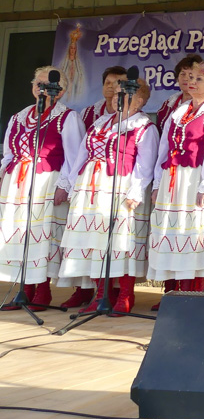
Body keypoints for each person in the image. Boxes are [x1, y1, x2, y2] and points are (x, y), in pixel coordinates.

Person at [59, 78, 158, 314]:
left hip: (121, 186)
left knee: (120, 243)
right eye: (115, 95)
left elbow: (145, 163)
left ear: (139, 100)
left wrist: (135, 191)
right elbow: (82, 154)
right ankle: (101, 294)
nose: (116, 98)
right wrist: (74, 186)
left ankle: (125, 295)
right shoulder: (101, 122)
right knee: (96, 242)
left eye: (124, 95)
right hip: (91, 186)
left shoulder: (144, 126)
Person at [0, 66, 85, 311]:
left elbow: (74, 156)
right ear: (32, 87)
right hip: (17, 184)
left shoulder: (67, 117)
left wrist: (65, 186)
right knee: (19, 234)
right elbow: (8, 154)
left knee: (43, 236)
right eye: (38, 84)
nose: (42, 89)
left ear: (59, 92)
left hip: (47, 182)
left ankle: (43, 290)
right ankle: (23, 290)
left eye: (48, 86)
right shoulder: (18, 116)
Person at [148, 61, 204, 294]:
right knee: (175, 234)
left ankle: (196, 295)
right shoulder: (180, 111)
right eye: (191, 78)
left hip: (197, 179)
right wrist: (158, 183)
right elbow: (164, 150)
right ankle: (175, 293)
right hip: (173, 180)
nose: (192, 82)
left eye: (199, 79)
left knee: (196, 232)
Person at [57, 65, 128, 309]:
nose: (113, 86)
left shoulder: (132, 114)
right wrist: (73, 183)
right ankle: (83, 289)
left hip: (114, 181)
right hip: (89, 182)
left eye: (118, 82)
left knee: (110, 238)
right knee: (85, 237)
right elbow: (79, 150)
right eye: (108, 82)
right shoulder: (89, 113)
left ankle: (114, 293)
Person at [150, 53, 204, 309]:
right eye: (183, 74)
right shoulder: (171, 104)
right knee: (168, 231)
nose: (187, 79)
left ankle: (189, 295)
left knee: (188, 231)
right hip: (170, 171)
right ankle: (169, 291)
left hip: (192, 174)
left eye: (193, 75)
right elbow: (163, 140)